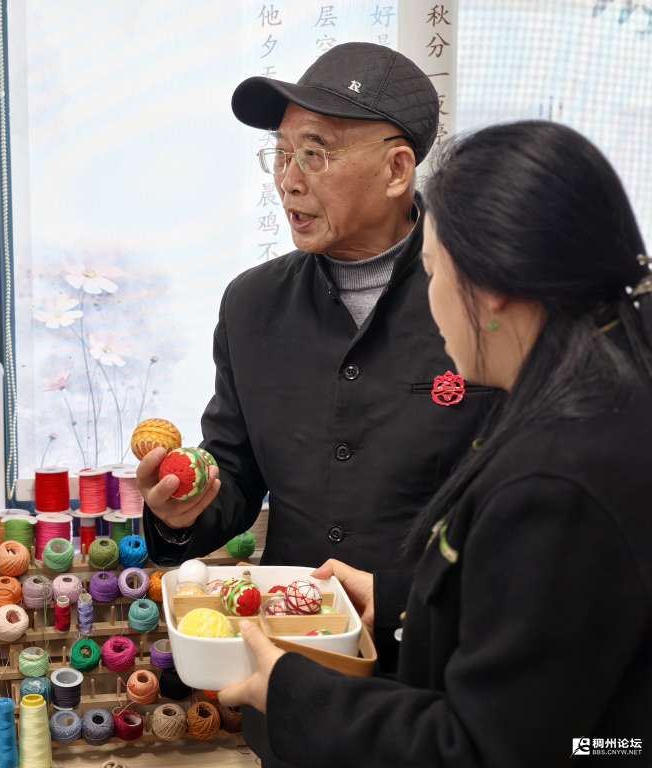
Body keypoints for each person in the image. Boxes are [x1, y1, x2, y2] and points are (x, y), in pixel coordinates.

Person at [217, 120, 652, 766]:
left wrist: (292, 691)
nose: (431, 303)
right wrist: (400, 600)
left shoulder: (557, 478)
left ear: (494, 290)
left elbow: (481, 749)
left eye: (432, 272)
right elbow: (540, 632)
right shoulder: (600, 401)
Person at [139, 42, 498, 765]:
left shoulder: (483, 300)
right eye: (280, 155)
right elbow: (233, 471)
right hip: (289, 684)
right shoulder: (252, 306)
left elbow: (516, 517)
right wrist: (185, 509)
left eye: (315, 154)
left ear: (397, 170)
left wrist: (408, 596)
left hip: (433, 690)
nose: (288, 180)